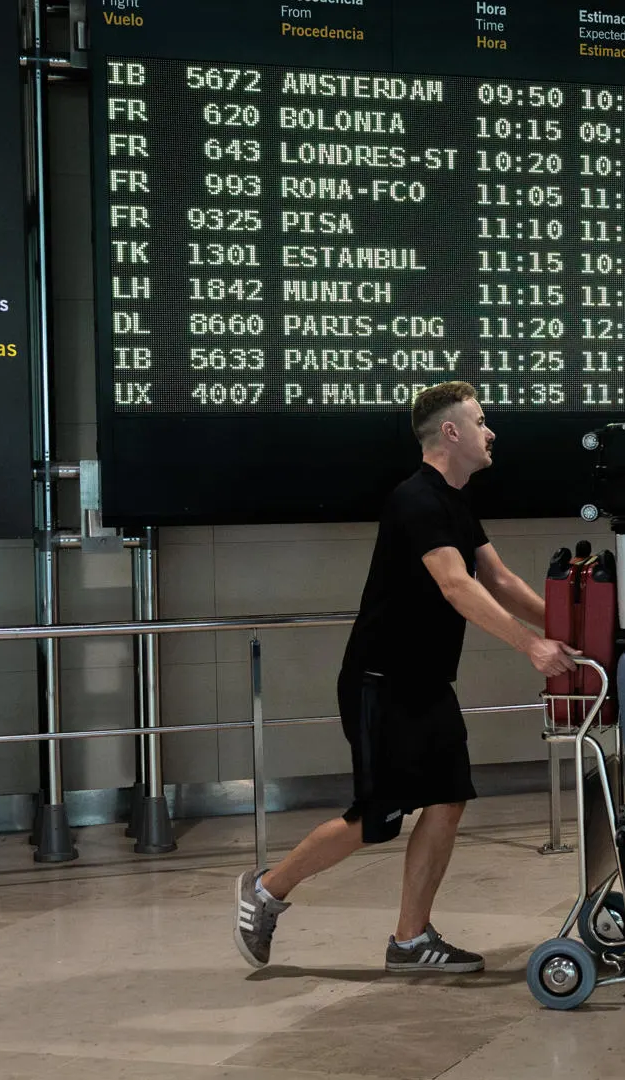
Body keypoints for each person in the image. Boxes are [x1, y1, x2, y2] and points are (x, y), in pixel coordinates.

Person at [234, 381, 580, 971]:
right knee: (375, 820)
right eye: (480, 420)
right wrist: (531, 646)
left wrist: (574, 627)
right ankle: (265, 891)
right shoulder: (415, 500)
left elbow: (496, 579)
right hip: (381, 682)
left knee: (447, 800)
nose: (490, 431)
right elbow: (456, 585)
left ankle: (410, 940)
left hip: (424, 684)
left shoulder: (456, 502)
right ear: (451, 432)